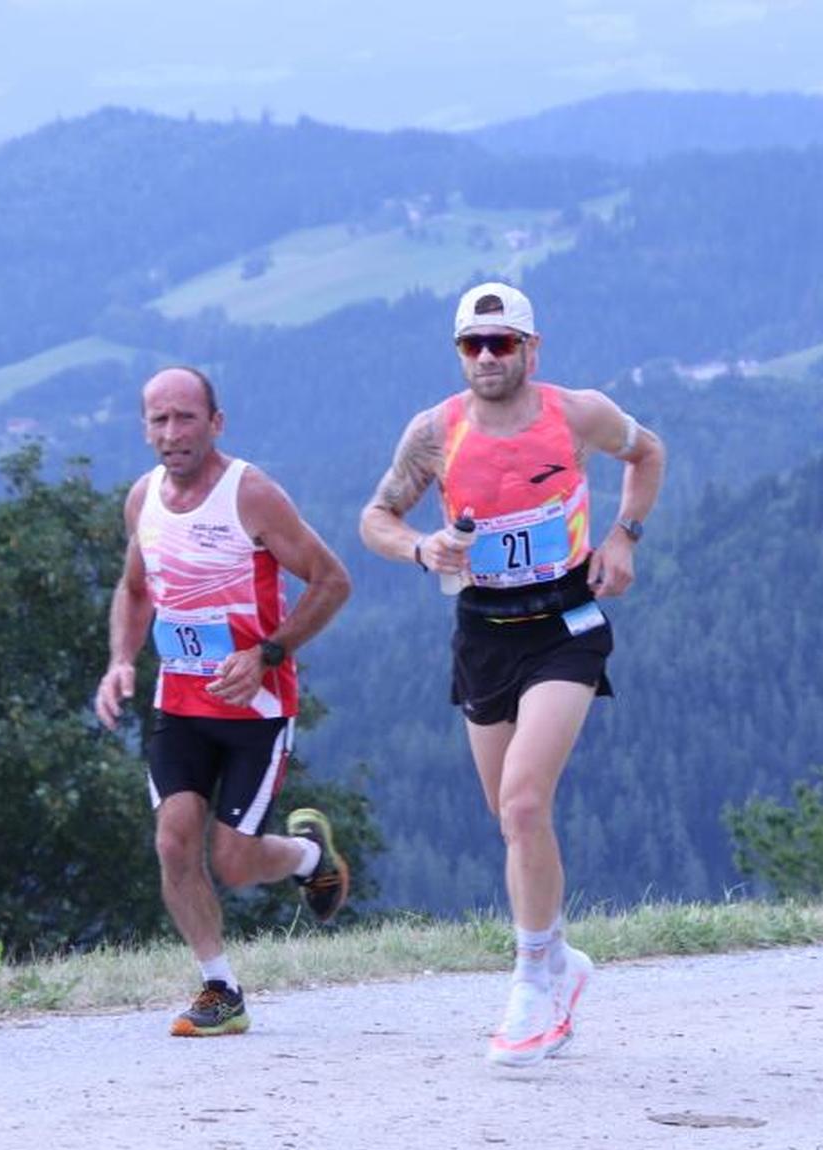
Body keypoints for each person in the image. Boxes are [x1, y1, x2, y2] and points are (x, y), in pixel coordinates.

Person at [360, 281, 665, 1067]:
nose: (488, 357)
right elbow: (376, 518)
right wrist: (422, 549)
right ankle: (562, 961)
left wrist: (624, 537)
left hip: (566, 623)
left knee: (526, 804)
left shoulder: (578, 412)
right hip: (484, 630)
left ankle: (534, 985)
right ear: (459, 353)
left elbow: (648, 452)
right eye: (473, 345)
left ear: (533, 348)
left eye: (503, 343)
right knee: (509, 814)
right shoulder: (434, 432)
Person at [94, 366, 354, 1037]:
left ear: (216, 422)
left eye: (186, 418)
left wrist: (268, 652)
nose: (172, 433)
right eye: (159, 420)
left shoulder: (252, 495)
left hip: (255, 710)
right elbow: (135, 589)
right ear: (144, 427)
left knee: (234, 864)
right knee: (174, 844)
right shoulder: (141, 500)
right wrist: (121, 661)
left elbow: (331, 582)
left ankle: (306, 858)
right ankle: (220, 986)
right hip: (178, 705)